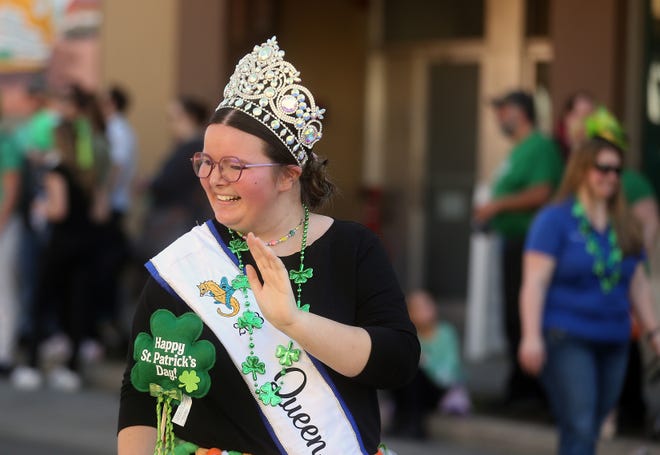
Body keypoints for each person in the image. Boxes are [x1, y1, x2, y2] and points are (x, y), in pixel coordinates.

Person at [117, 36, 419, 454]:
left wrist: (294, 322)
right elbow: (141, 392)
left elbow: (397, 361)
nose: (214, 178)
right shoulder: (187, 263)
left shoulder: (353, 248)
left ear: (288, 176)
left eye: (234, 166)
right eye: (205, 162)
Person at [518, 135, 660, 455]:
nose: (611, 176)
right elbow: (535, 283)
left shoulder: (624, 223)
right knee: (580, 424)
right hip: (566, 335)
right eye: (602, 168)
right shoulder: (554, 220)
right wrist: (530, 336)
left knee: (588, 426)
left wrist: (654, 332)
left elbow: (637, 283)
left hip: (614, 338)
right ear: (582, 169)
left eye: (616, 170)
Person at [473, 90, 563, 406]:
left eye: (502, 109)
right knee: (511, 312)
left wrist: (497, 206)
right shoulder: (519, 150)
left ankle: (533, 390)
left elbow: (542, 192)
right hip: (511, 243)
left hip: (531, 243)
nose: (498, 117)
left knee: (524, 312)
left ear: (521, 112)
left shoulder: (540, 146)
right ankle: (521, 386)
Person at [11, 120, 99, 391]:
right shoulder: (85, 173)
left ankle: (32, 364)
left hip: (60, 246)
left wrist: (40, 206)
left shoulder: (55, 170)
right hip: (83, 246)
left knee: (42, 303)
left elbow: (58, 210)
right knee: (73, 307)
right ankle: (70, 368)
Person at [135, 96, 210, 263]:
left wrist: (150, 184)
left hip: (175, 220)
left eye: (174, 119)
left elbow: (170, 182)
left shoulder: (193, 148)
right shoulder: (189, 146)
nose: (171, 125)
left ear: (189, 118)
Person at [389, 290, 470, 440]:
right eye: (419, 308)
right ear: (410, 315)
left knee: (416, 373)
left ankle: (416, 423)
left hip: (438, 387)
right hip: (412, 387)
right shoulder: (412, 336)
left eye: (428, 305)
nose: (426, 310)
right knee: (400, 369)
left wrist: (426, 364)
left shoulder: (446, 333)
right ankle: (400, 419)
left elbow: (450, 369)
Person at [0, 109, 24, 377]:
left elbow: (12, 186)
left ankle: (4, 353)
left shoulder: (6, 143)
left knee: (4, 290)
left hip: (5, 226)